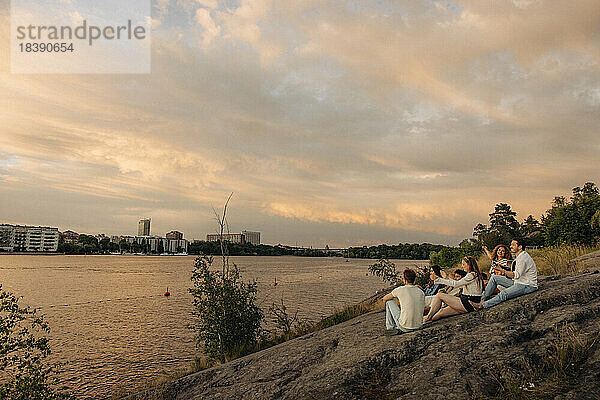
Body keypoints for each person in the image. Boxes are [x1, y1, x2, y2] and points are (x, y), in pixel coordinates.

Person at [471, 238, 537, 309]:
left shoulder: (523, 258)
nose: (510, 246)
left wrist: (501, 270)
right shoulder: (519, 256)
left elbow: (515, 275)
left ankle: (483, 305)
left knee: (504, 293)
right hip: (519, 282)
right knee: (494, 278)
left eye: (513, 245)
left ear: (520, 247)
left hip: (527, 285)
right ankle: (482, 300)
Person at [423, 257, 485, 324]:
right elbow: (457, 283)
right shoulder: (474, 275)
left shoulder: (472, 275)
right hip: (466, 303)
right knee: (440, 313)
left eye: (463, 264)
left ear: (469, 265)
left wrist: (439, 279)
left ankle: (427, 318)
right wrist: (446, 278)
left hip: (468, 303)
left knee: (439, 296)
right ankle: (423, 321)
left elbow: (455, 284)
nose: (462, 266)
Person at [382, 269, 425, 335]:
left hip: (405, 327)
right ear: (414, 279)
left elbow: (385, 298)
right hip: (419, 326)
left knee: (389, 301)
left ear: (404, 279)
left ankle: (390, 328)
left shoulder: (400, 289)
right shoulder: (421, 292)